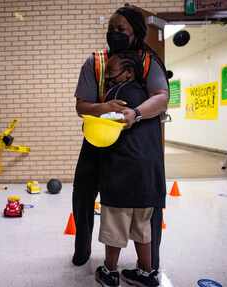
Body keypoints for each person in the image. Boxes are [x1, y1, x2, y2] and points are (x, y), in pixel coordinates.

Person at [72, 3, 168, 275]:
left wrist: (135, 114)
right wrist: (106, 107)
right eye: (110, 28)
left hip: (139, 145)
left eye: (120, 29)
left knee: (147, 204)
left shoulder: (149, 61)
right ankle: (82, 251)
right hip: (99, 140)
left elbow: (161, 98)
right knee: (83, 196)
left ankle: (148, 265)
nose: (113, 33)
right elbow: (82, 106)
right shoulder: (96, 62)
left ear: (136, 33)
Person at [95, 51, 161, 287]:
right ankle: (146, 273)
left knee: (115, 222)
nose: (109, 78)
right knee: (142, 225)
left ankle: (110, 272)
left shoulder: (117, 94)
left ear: (129, 72)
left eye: (112, 73)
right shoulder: (148, 97)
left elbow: (102, 127)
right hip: (147, 172)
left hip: (121, 169)